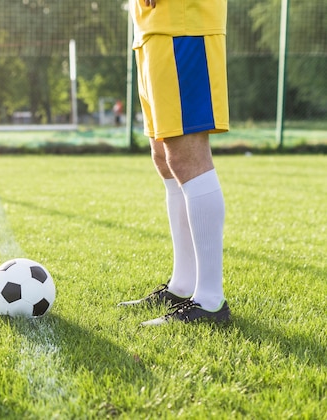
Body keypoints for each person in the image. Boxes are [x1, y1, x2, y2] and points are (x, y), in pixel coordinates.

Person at [119, 0, 231, 326]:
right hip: (150, 28)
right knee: (165, 157)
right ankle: (183, 285)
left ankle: (210, 301)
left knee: (186, 154)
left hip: (185, 24)